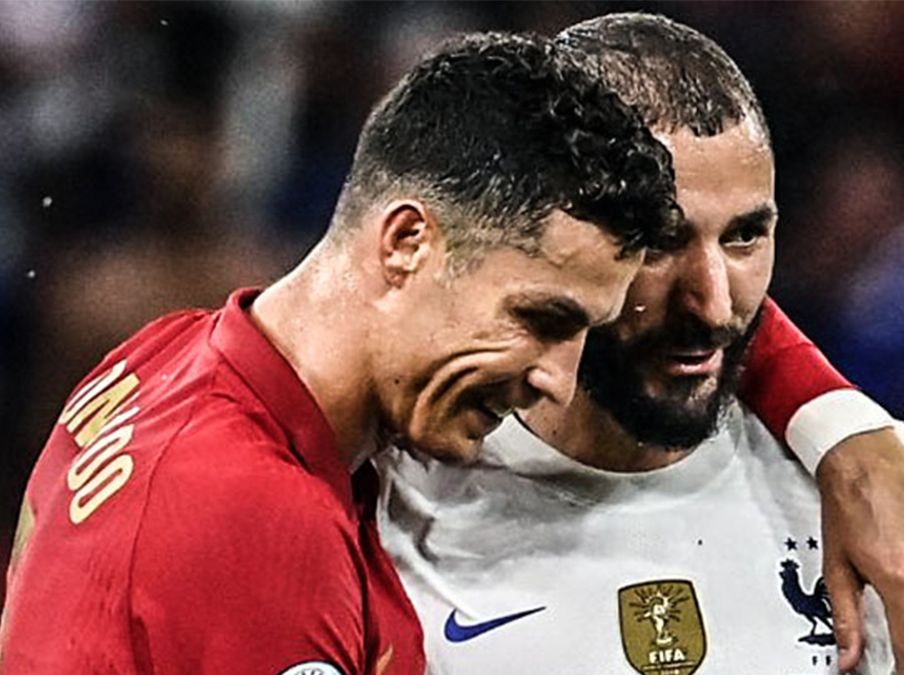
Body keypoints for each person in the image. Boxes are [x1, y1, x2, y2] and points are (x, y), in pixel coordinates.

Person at [0, 32, 682, 674]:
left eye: (585, 333)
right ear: (406, 243)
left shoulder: (162, 355)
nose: (557, 379)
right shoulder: (258, 517)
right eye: (540, 318)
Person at [377, 13, 904, 675]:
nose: (714, 304)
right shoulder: (390, 495)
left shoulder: (890, 497)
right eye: (660, 241)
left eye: (745, 236)